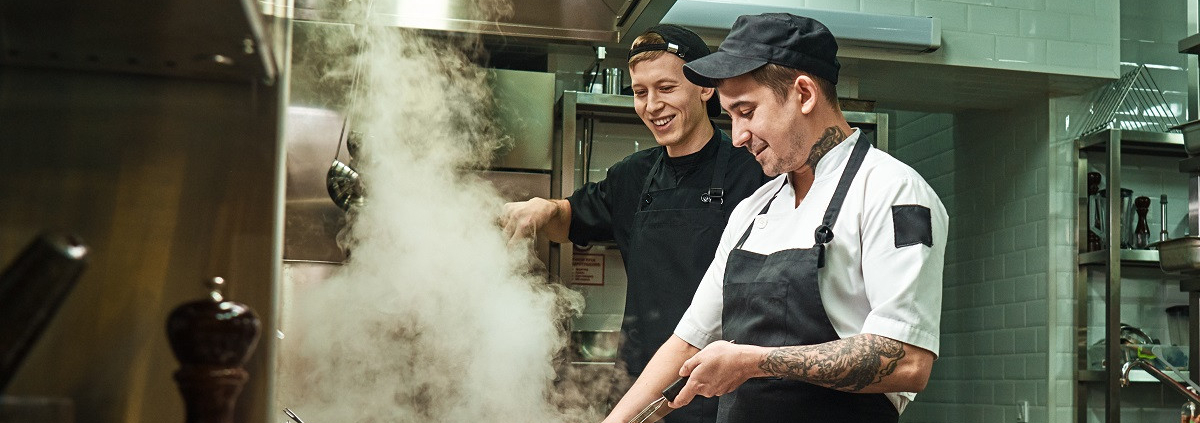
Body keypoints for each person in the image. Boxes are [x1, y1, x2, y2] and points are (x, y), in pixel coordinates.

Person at [599, 13, 948, 423]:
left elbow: (907, 359)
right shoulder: (754, 208)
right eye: (730, 116)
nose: (739, 135)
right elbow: (687, 342)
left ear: (803, 94)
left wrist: (754, 362)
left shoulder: (891, 191)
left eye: (746, 111)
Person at [501, 25, 769, 423]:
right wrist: (545, 208)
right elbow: (570, 219)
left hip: (724, 392)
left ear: (705, 88)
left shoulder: (752, 174)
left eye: (666, 88)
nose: (652, 105)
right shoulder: (631, 177)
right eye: (640, 93)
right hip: (641, 386)